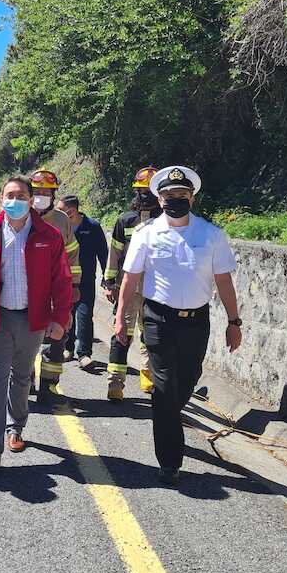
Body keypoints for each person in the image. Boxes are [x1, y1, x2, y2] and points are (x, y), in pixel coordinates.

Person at [116, 166, 242, 484]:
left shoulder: (211, 235)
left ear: (192, 198)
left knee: (186, 380)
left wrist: (234, 320)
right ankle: (170, 461)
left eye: (181, 195)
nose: (175, 200)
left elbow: (223, 280)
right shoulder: (146, 234)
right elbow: (130, 278)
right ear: (159, 199)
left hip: (196, 321)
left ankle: (170, 415)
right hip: (158, 319)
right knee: (163, 385)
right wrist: (120, 318)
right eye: (169, 196)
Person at [0, 176, 71, 467]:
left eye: (21, 196)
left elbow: (62, 281)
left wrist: (60, 317)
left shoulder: (48, 235)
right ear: (1, 199)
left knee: (21, 378)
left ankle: (15, 428)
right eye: (10, 195)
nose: (15, 201)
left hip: (31, 320)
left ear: (31, 200)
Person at [102, 166, 159, 401]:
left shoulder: (165, 220)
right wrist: (109, 282)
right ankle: (115, 382)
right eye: (141, 190)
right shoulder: (125, 220)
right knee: (121, 332)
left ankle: (148, 375)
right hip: (128, 286)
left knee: (152, 334)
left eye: (149, 190)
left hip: (155, 288)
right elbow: (114, 254)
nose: (145, 194)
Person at [29, 169, 81, 404]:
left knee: (56, 337)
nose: (41, 195)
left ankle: (48, 386)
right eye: (36, 191)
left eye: (45, 192)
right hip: (27, 289)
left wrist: (75, 285)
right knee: (26, 336)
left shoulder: (61, 220)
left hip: (56, 289)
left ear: (53, 194)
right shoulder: (22, 215)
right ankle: (26, 379)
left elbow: (72, 254)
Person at [56, 196, 108, 369]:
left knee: (84, 315)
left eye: (62, 210)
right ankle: (67, 348)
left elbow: (103, 253)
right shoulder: (59, 225)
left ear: (72, 211)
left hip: (85, 280)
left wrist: (107, 279)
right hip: (63, 280)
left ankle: (84, 353)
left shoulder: (92, 227)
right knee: (66, 314)